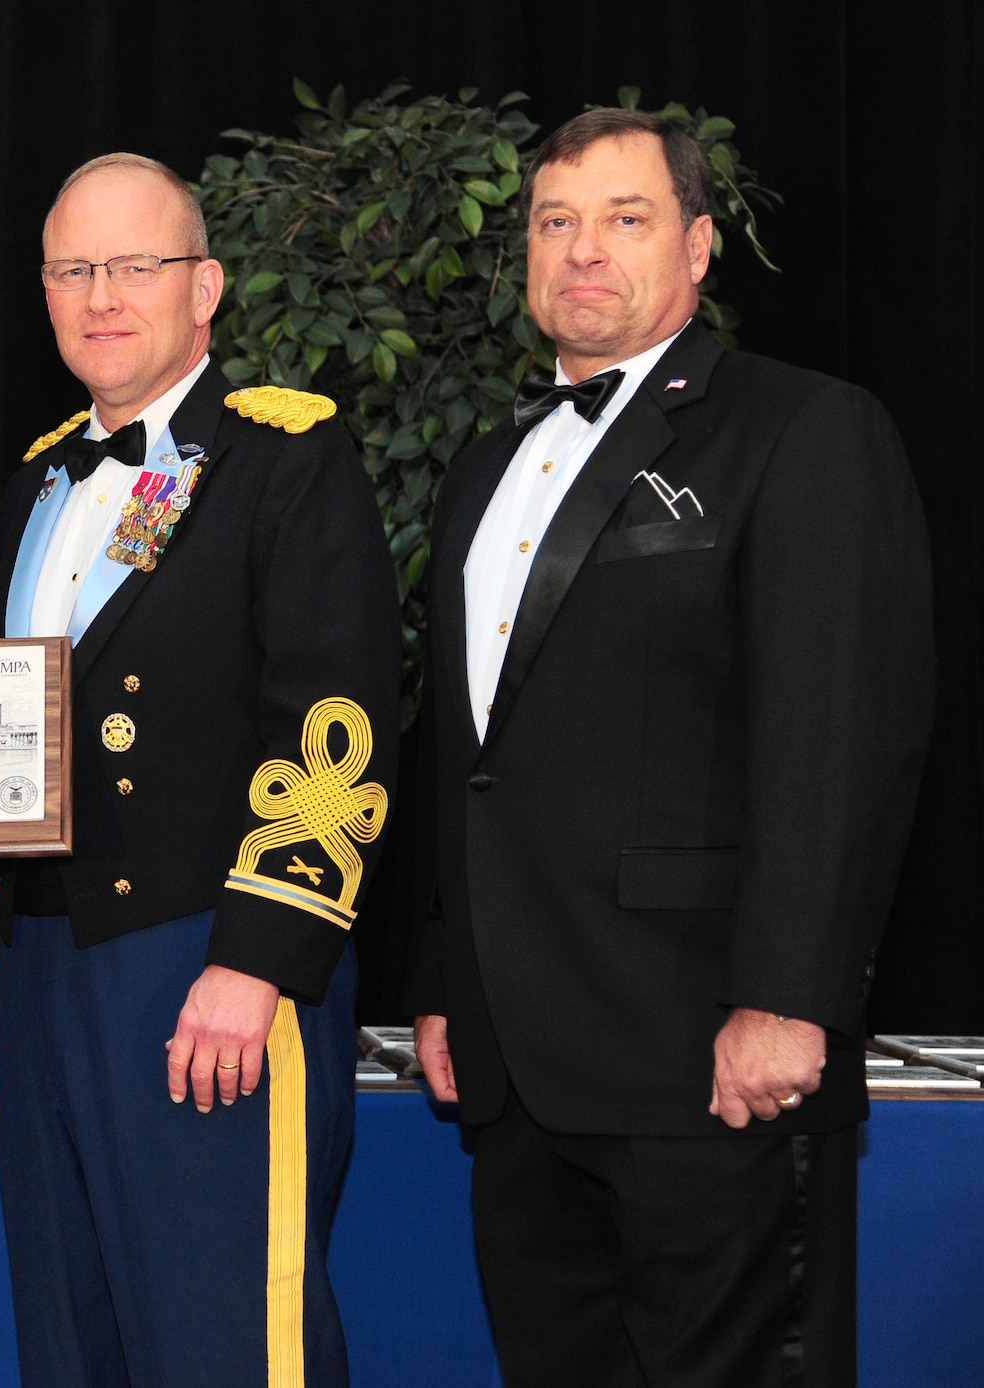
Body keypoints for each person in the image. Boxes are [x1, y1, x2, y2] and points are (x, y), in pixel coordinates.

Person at [406, 108, 935, 1386]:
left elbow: (836, 735)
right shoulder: (484, 467)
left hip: (707, 1054)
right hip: (515, 1067)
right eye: (554, 222)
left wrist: (790, 995)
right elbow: (462, 749)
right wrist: (441, 975)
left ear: (697, 247)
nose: (581, 250)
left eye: (623, 219)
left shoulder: (802, 430)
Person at [0, 153, 399, 1386]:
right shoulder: (32, 481)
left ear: (202, 286)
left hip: (203, 964)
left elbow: (334, 723)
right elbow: (2, 743)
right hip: (42, 974)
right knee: (72, 1338)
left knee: (222, 1341)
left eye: (133, 266)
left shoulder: (281, 461)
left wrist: (258, 957)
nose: (101, 295)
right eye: (72, 269)